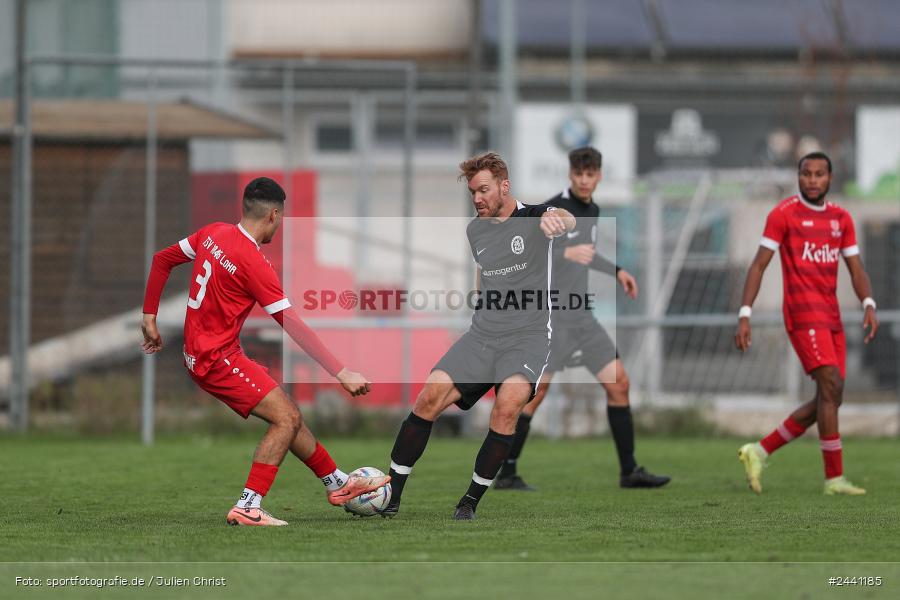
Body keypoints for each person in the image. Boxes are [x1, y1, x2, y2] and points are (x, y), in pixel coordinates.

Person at [141, 177, 390, 526]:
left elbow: (161, 259)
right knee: (285, 418)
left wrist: (149, 315)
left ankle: (338, 483)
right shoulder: (254, 263)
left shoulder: (212, 233)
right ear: (274, 215)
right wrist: (340, 371)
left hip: (204, 353)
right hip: (217, 359)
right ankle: (248, 505)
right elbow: (292, 324)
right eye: (283, 217)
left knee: (288, 414)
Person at [382, 151, 575, 520]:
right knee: (428, 398)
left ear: (504, 186)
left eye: (483, 190)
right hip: (483, 334)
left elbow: (561, 218)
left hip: (528, 338)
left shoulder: (535, 218)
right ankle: (390, 495)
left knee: (506, 410)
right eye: (472, 192)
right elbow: (484, 273)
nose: (477, 199)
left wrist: (557, 219)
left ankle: (468, 503)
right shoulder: (477, 229)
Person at [494, 146, 670, 491]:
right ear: (570, 175)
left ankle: (629, 471)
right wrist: (563, 251)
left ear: (599, 176)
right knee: (534, 392)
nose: (585, 180)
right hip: (552, 318)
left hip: (582, 319)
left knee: (619, 383)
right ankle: (507, 472)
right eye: (579, 174)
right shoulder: (553, 211)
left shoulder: (593, 209)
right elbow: (528, 251)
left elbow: (585, 254)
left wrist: (616, 270)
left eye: (590, 175)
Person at [735, 152, 879, 495]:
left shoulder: (841, 218)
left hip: (832, 316)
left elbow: (856, 268)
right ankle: (834, 479)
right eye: (806, 174)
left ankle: (759, 450)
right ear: (798, 177)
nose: (812, 180)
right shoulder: (783, 215)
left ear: (830, 178)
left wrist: (868, 303)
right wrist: (745, 313)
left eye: (819, 174)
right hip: (802, 314)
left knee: (832, 396)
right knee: (830, 384)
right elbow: (758, 265)